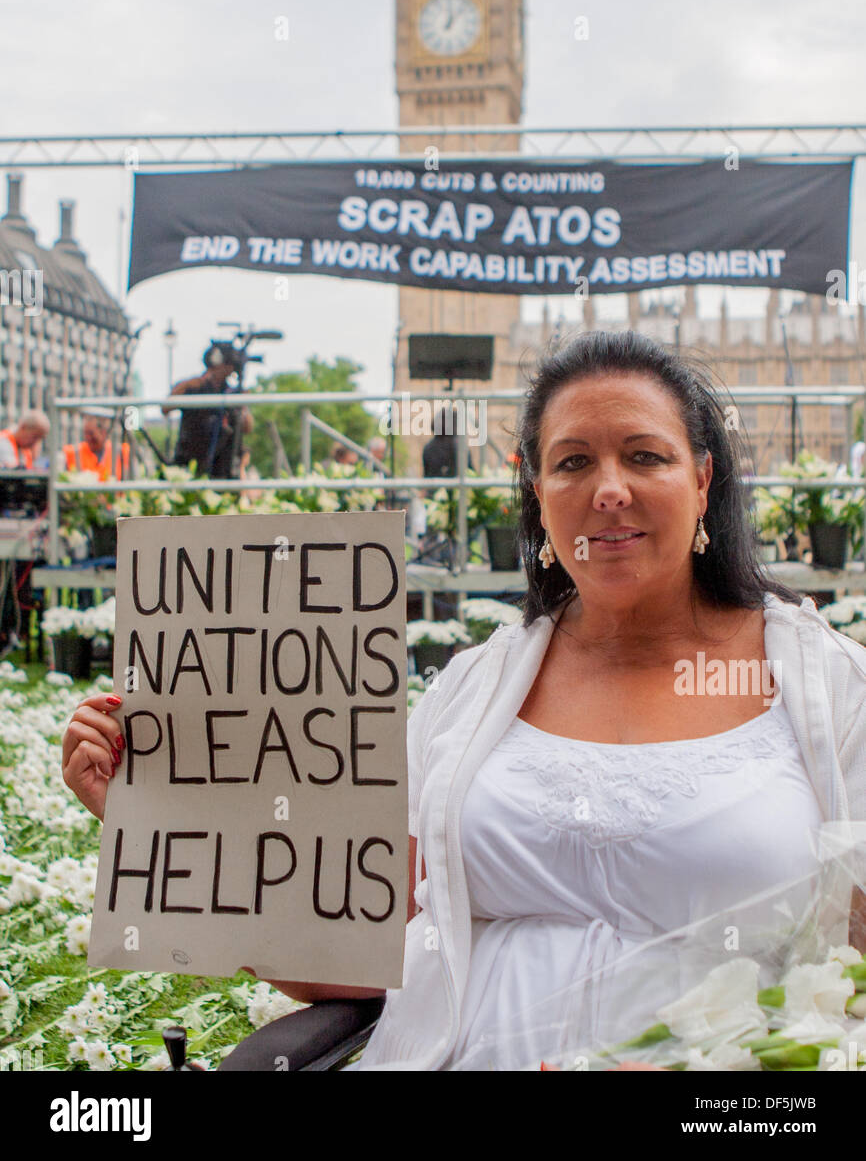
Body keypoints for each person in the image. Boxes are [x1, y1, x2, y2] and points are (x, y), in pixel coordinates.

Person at [61, 329, 866, 1072]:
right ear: (536, 489)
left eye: (645, 457)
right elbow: (342, 951)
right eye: (573, 461)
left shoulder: (826, 687)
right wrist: (165, 819)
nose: (608, 490)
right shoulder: (470, 691)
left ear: (702, 478)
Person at [165, 343, 253, 477]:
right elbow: (165, 408)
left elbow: (247, 428)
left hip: (222, 465)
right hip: (190, 458)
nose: (230, 369)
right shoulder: (194, 386)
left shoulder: (232, 392)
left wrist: (243, 405)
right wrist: (185, 386)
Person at [63, 410, 129, 480]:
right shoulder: (72, 453)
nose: (88, 438)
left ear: (104, 432)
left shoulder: (121, 452)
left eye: (91, 434)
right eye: (86, 433)